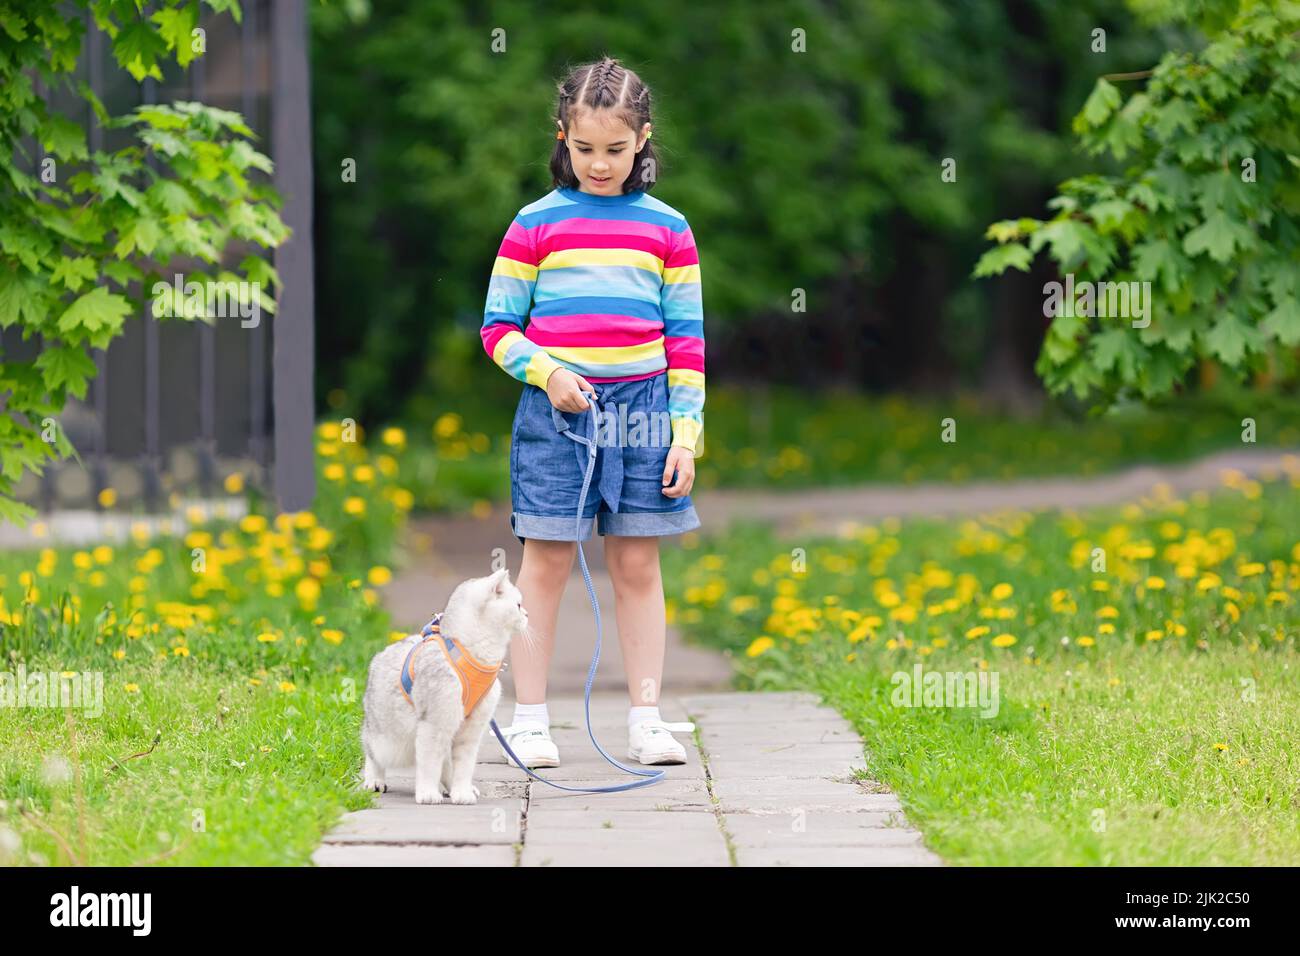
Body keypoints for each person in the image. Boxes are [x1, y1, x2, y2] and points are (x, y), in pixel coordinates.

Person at [479, 55, 706, 768]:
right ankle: (530, 720)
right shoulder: (534, 224)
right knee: (543, 563)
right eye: (584, 150)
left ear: (643, 138)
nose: (599, 165)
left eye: (614, 149)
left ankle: (646, 718)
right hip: (558, 415)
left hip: (644, 417)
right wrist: (548, 375)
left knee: (637, 564)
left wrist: (685, 435)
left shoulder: (669, 230)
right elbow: (497, 329)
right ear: (562, 138)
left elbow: (686, 344)